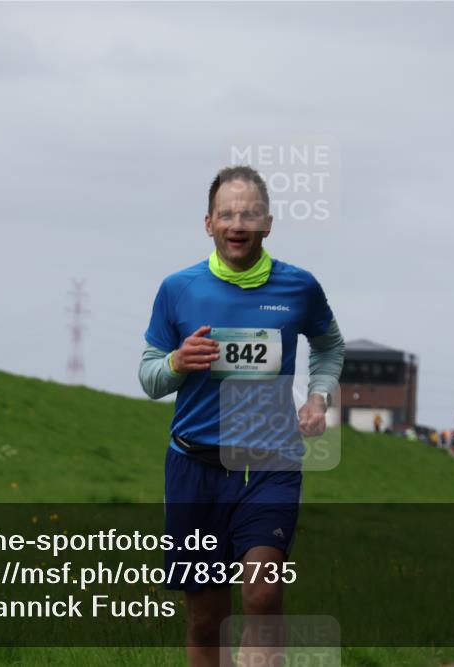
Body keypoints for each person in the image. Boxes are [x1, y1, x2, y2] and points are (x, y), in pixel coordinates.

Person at [139, 165, 345, 667]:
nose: (237, 224)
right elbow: (149, 378)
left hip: (269, 462)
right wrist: (177, 362)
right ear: (208, 223)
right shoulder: (178, 289)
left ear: (268, 224)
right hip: (194, 467)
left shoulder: (299, 287)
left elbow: (329, 346)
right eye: (227, 214)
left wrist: (318, 398)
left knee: (262, 591)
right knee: (206, 617)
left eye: (249, 214)